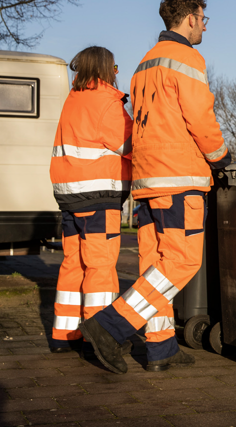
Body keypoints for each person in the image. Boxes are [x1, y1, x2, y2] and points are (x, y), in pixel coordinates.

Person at [81, 0, 231, 374]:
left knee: (155, 264)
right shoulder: (187, 58)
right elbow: (200, 116)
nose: (203, 27)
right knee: (181, 261)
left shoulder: (145, 62)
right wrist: (220, 157)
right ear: (190, 18)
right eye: (203, 19)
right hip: (178, 176)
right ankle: (109, 327)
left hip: (147, 177)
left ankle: (160, 347)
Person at [49, 47, 133, 358]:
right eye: (115, 66)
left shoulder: (74, 98)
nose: (117, 72)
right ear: (105, 69)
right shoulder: (106, 102)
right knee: (100, 267)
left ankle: (64, 334)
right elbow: (130, 144)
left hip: (69, 197)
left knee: (74, 264)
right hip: (99, 197)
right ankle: (100, 337)